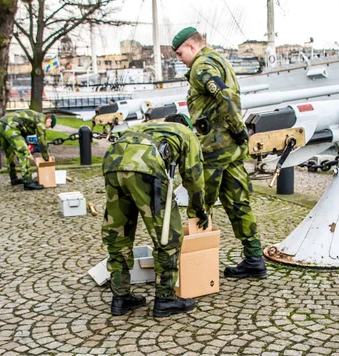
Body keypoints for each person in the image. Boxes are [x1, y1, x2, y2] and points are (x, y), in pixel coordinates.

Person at [171, 27, 267, 279]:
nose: (179, 59)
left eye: (180, 54)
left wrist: (238, 128)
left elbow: (225, 96)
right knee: (238, 203)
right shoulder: (220, 60)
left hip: (213, 151)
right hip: (230, 152)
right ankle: (254, 258)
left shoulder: (202, 67)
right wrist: (237, 135)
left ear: (192, 47)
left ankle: (197, 271)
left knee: (200, 207)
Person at [102, 120, 209, 317]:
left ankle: (120, 297)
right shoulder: (186, 133)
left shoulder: (146, 126)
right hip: (146, 166)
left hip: (112, 161)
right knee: (168, 236)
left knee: (118, 233)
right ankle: (166, 299)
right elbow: (194, 179)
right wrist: (199, 209)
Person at [0, 110, 56, 191]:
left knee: (9, 153)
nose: (48, 128)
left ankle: (13, 178)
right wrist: (46, 158)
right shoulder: (41, 121)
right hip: (11, 126)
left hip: (2, 124)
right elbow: (42, 141)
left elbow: (23, 130)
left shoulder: (36, 116)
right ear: (49, 120)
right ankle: (28, 182)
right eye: (50, 125)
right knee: (24, 153)